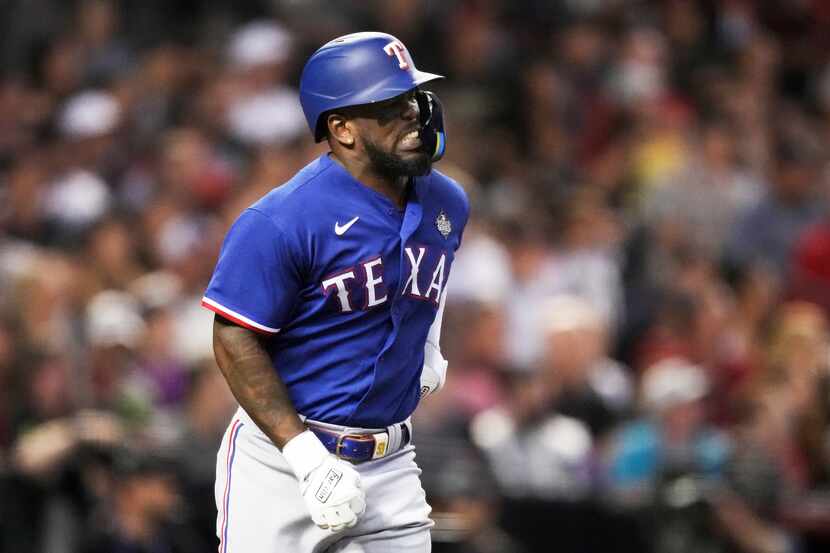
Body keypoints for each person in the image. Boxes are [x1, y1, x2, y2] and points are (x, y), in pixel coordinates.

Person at [201, 32, 469, 552]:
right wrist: (305, 458)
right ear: (342, 129)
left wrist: (429, 346)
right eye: (389, 106)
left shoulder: (447, 200)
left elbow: (427, 277)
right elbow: (233, 340)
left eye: (413, 97)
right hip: (280, 463)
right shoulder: (281, 220)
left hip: (390, 459)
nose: (414, 113)